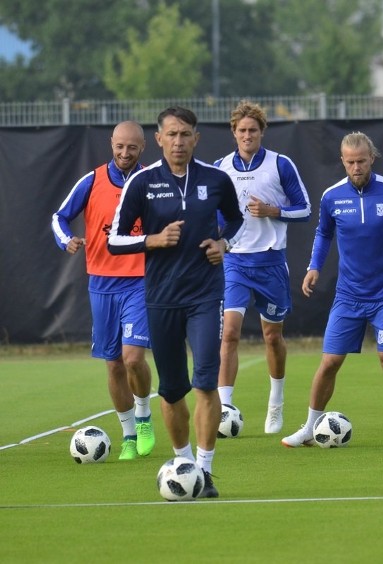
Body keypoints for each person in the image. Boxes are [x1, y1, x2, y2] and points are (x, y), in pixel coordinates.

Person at [108, 106, 244, 497]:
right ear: (159, 139)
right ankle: (182, 461)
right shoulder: (142, 183)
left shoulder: (216, 180)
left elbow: (235, 220)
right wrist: (152, 240)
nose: (179, 141)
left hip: (206, 294)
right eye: (172, 135)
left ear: (196, 138)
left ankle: (203, 472)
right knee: (170, 390)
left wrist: (224, 243)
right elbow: (113, 239)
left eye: (186, 134)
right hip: (161, 298)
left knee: (205, 383)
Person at [281, 132, 383, 447]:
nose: (356, 167)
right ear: (342, 161)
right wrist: (314, 266)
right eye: (350, 162)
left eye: (362, 161)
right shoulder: (332, 196)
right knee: (329, 362)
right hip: (349, 295)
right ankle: (309, 427)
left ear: (372, 158)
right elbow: (323, 233)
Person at [51, 121, 156, 461]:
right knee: (113, 365)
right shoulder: (92, 180)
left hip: (140, 281)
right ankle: (127, 435)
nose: (125, 153)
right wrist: (67, 240)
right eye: (120, 146)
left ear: (143, 148)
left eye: (132, 148)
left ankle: (143, 418)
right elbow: (59, 217)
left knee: (133, 358)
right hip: (101, 283)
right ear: (111, 143)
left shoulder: (152, 180)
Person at [214, 101, 311, 434]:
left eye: (252, 130)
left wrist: (273, 211)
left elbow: (305, 209)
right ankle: (224, 407)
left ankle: (276, 400)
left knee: (273, 337)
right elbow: (213, 213)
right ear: (233, 132)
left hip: (270, 261)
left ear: (262, 131)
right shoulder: (220, 167)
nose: (246, 135)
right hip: (235, 262)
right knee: (229, 333)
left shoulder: (280, 165)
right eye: (241, 130)